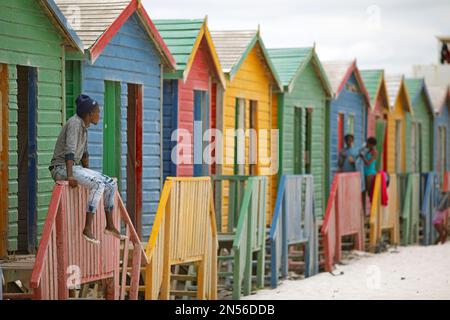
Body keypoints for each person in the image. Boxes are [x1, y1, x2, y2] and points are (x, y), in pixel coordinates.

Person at [49, 94, 126, 244]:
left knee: (110, 183)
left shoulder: (84, 127)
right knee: (98, 184)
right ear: (89, 114)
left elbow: (84, 154)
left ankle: (109, 225)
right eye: (97, 112)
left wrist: (88, 174)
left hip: (73, 167)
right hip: (60, 168)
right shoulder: (74, 124)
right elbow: (70, 151)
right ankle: (87, 228)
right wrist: (70, 176)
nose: (99, 115)